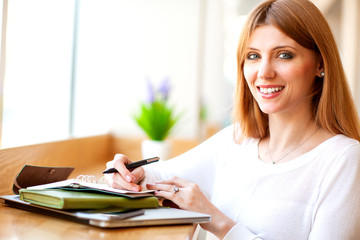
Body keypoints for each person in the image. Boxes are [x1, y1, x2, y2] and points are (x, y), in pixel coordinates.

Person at [105, 0, 360, 239]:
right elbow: (156, 176)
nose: (264, 72)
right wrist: (125, 175)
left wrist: (218, 222)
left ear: (320, 64)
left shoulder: (344, 159)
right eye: (253, 56)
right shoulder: (236, 140)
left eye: (284, 55)